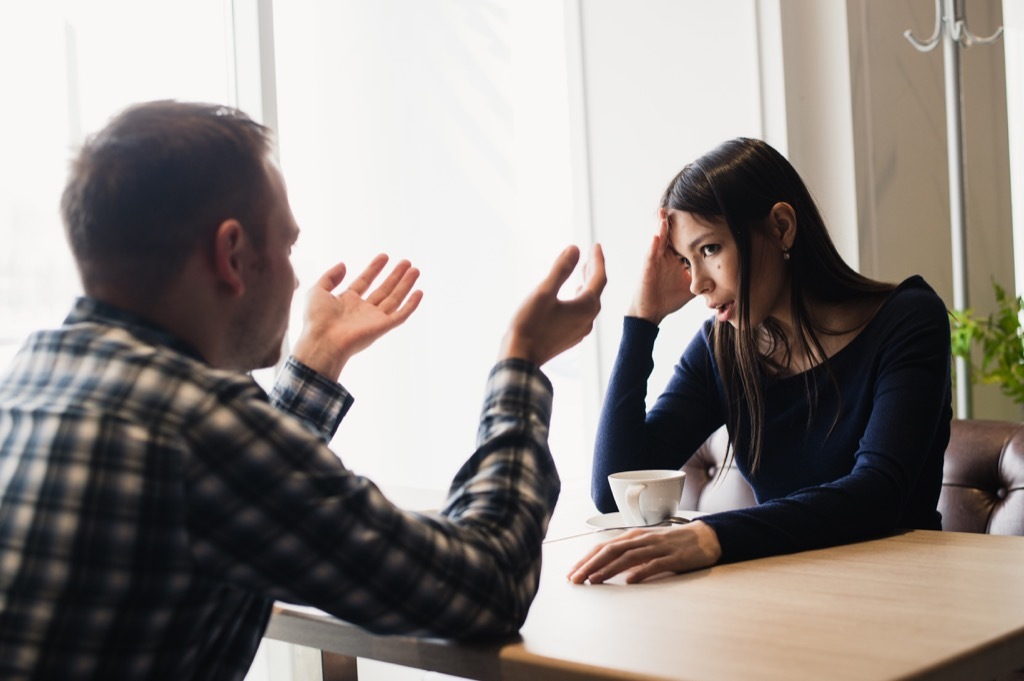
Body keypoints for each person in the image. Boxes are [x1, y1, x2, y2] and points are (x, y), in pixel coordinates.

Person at [0, 100, 606, 680]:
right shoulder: (196, 429)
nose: (296, 277)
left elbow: (230, 487)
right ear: (231, 253)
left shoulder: (31, 382)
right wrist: (522, 361)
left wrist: (316, 358)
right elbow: (487, 584)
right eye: (288, 246)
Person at [569, 137, 951, 585]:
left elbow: (877, 494)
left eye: (709, 250)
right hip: (783, 592)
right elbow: (615, 489)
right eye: (685, 262)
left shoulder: (908, 320)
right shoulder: (721, 346)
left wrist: (713, 536)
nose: (696, 286)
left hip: (906, 592)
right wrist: (641, 321)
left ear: (782, 227)